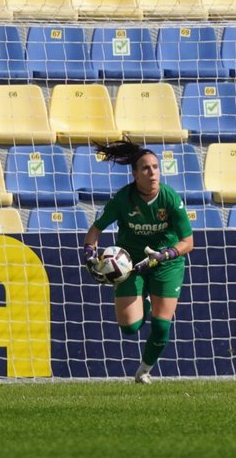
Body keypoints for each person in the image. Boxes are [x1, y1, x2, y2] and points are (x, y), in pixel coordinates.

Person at [83, 142, 194, 383]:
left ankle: (144, 370)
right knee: (129, 328)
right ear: (135, 174)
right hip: (131, 264)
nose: (152, 172)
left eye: (155, 167)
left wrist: (165, 255)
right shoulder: (122, 199)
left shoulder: (170, 199)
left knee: (161, 325)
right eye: (145, 168)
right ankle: (142, 297)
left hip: (166, 263)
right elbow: (95, 229)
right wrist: (89, 255)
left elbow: (188, 242)